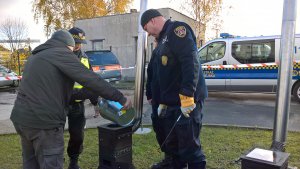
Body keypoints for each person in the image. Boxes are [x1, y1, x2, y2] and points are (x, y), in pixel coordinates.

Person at [10, 29, 132, 169]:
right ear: (66, 45)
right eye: (71, 48)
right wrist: (120, 97)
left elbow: (53, 88)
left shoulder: (36, 56)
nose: (72, 51)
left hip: (22, 119)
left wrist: (91, 97)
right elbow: (91, 79)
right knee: (51, 163)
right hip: (44, 122)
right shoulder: (61, 53)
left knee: (30, 163)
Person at [141, 9, 208, 169]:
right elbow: (155, 70)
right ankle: (172, 164)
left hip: (184, 103)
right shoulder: (162, 39)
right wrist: (151, 94)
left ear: (152, 21)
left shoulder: (177, 31)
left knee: (190, 148)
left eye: (146, 29)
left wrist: (187, 95)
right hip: (168, 104)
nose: (148, 34)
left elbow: (190, 62)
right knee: (171, 144)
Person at [67, 27, 99, 169]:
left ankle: (74, 161)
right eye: (75, 42)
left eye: (80, 42)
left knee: (77, 136)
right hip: (59, 103)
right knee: (52, 134)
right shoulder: (59, 55)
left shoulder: (85, 57)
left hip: (77, 105)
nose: (78, 45)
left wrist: (95, 101)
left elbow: (92, 81)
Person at [146, 40, 173, 169]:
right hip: (156, 100)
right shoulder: (155, 53)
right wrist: (149, 94)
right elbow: (150, 74)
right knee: (159, 128)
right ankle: (168, 159)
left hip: (168, 100)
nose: (155, 42)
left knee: (170, 130)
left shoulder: (172, 52)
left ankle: (175, 161)